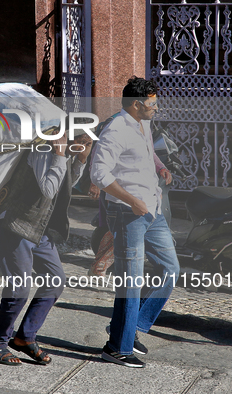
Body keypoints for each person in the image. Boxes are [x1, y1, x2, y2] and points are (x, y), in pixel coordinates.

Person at [0, 122, 93, 366]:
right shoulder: (44, 148)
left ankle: (24, 337)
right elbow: (49, 189)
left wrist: (80, 160)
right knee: (19, 288)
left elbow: (63, 185)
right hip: (17, 225)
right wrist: (61, 154)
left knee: (54, 281)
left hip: (40, 229)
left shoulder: (58, 147)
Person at [90, 76, 179, 368]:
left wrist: (160, 167)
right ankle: (117, 348)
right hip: (129, 215)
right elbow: (99, 175)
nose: (157, 108)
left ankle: (134, 327)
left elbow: (148, 150)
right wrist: (132, 201)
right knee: (131, 282)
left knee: (170, 270)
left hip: (152, 211)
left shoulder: (143, 123)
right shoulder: (114, 130)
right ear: (137, 105)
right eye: (152, 104)